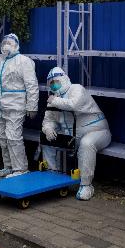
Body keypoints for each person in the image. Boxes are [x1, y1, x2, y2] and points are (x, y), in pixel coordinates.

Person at [42, 66, 111, 200]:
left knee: (87, 144)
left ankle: (86, 185)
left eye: (56, 81)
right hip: (73, 135)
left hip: (97, 131)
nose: (54, 85)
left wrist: (54, 100)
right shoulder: (53, 99)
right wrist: (48, 128)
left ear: (63, 79)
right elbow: (48, 120)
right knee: (47, 138)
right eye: (51, 83)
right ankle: (51, 175)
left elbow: (73, 104)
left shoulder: (76, 89)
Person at [0, 33, 38, 177]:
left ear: (17, 45)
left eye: (10, 43)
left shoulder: (24, 61)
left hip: (16, 105)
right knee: (2, 137)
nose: (6, 45)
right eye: (4, 42)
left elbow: (32, 85)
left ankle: (20, 168)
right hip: (0, 104)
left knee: (13, 137)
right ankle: (8, 166)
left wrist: (32, 106)